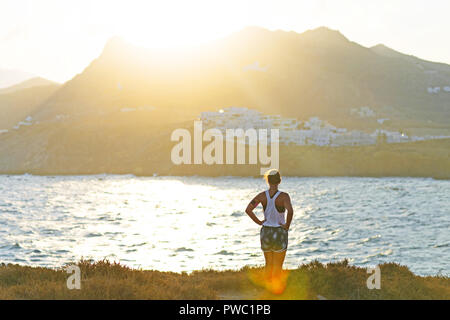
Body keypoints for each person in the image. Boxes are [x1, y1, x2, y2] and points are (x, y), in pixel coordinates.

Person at [245, 169, 293, 286]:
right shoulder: (284, 197)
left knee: (268, 264)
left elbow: (248, 209)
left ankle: (267, 289)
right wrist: (286, 226)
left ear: (267, 181)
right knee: (278, 265)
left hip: (265, 232)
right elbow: (290, 211)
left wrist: (259, 222)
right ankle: (276, 291)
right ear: (279, 181)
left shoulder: (261, 196)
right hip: (279, 232)